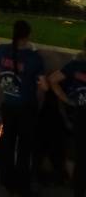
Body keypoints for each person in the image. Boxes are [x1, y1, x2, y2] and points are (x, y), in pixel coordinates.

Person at [0, 20, 44, 195]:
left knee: (7, 143)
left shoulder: (1, 49)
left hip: (7, 106)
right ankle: (22, 186)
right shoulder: (34, 58)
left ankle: (7, 181)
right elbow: (44, 85)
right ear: (28, 35)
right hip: (26, 108)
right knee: (24, 148)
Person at [48, 38, 86, 197]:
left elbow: (52, 80)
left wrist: (68, 100)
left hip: (79, 116)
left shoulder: (75, 65)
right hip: (80, 117)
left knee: (81, 158)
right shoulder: (75, 65)